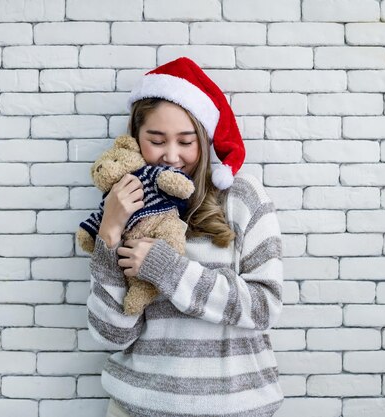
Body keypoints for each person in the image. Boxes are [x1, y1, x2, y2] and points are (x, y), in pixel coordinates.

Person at [85, 57, 284, 417]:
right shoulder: (124, 203)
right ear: (135, 139)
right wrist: (110, 231)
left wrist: (170, 271)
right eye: (156, 140)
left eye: (186, 141)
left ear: (204, 140)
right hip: (138, 406)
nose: (171, 156)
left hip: (235, 407)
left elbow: (263, 307)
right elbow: (111, 335)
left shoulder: (242, 197)